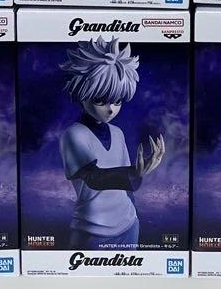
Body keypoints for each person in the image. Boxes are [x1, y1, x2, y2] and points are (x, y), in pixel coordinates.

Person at [60, 37, 165, 250]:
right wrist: (135, 172)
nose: (111, 109)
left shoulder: (117, 133)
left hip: (129, 224)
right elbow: (94, 178)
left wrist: (136, 179)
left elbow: (127, 189)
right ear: (82, 94)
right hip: (92, 229)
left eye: (117, 101)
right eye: (100, 100)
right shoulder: (74, 134)